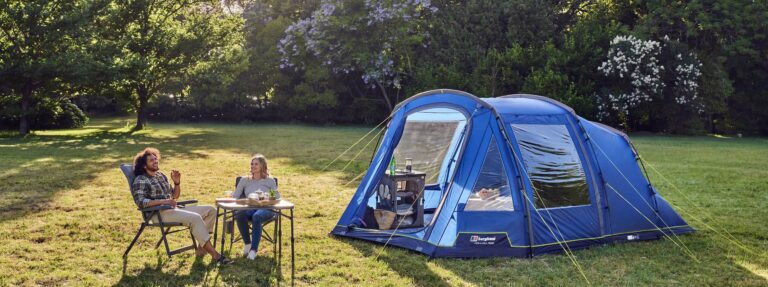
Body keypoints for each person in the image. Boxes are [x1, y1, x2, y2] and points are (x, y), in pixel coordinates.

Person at [131, 147, 232, 265]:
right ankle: (215, 255)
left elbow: (174, 196)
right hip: (157, 214)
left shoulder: (160, 175)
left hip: (173, 209)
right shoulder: (141, 180)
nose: (155, 161)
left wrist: (177, 183)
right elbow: (141, 202)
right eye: (151, 160)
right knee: (195, 218)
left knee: (211, 210)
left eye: (156, 159)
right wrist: (164, 202)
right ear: (144, 165)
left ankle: (201, 249)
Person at [232, 154, 280, 260]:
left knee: (257, 216)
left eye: (256, 164)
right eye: (252, 164)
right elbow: (235, 196)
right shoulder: (244, 180)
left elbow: (276, 197)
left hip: (266, 208)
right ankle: (247, 244)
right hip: (249, 207)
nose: (253, 166)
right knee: (239, 215)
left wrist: (266, 200)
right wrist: (236, 197)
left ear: (262, 166)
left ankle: (253, 250)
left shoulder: (270, 181)